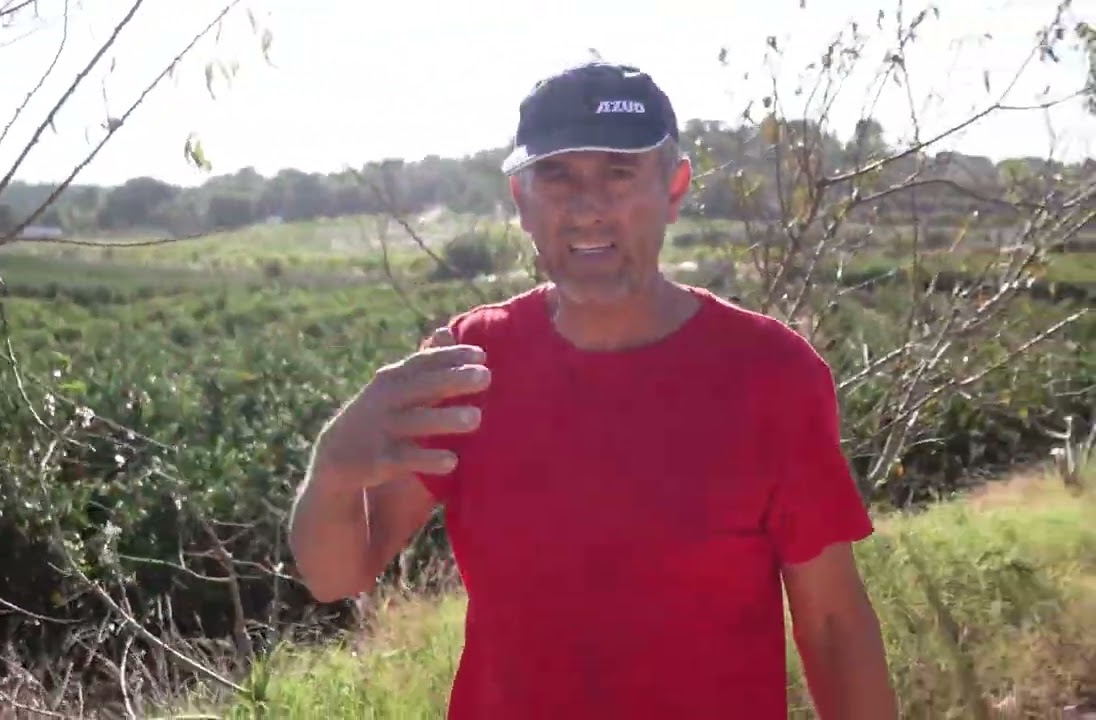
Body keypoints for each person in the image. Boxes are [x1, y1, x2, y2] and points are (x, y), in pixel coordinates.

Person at [289, 61, 897, 719]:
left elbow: (834, 622)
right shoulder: (473, 366)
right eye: (557, 176)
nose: (586, 208)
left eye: (618, 172)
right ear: (523, 202)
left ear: (674, 187)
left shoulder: (771, 374)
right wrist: (332, 473)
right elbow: (336, 575)